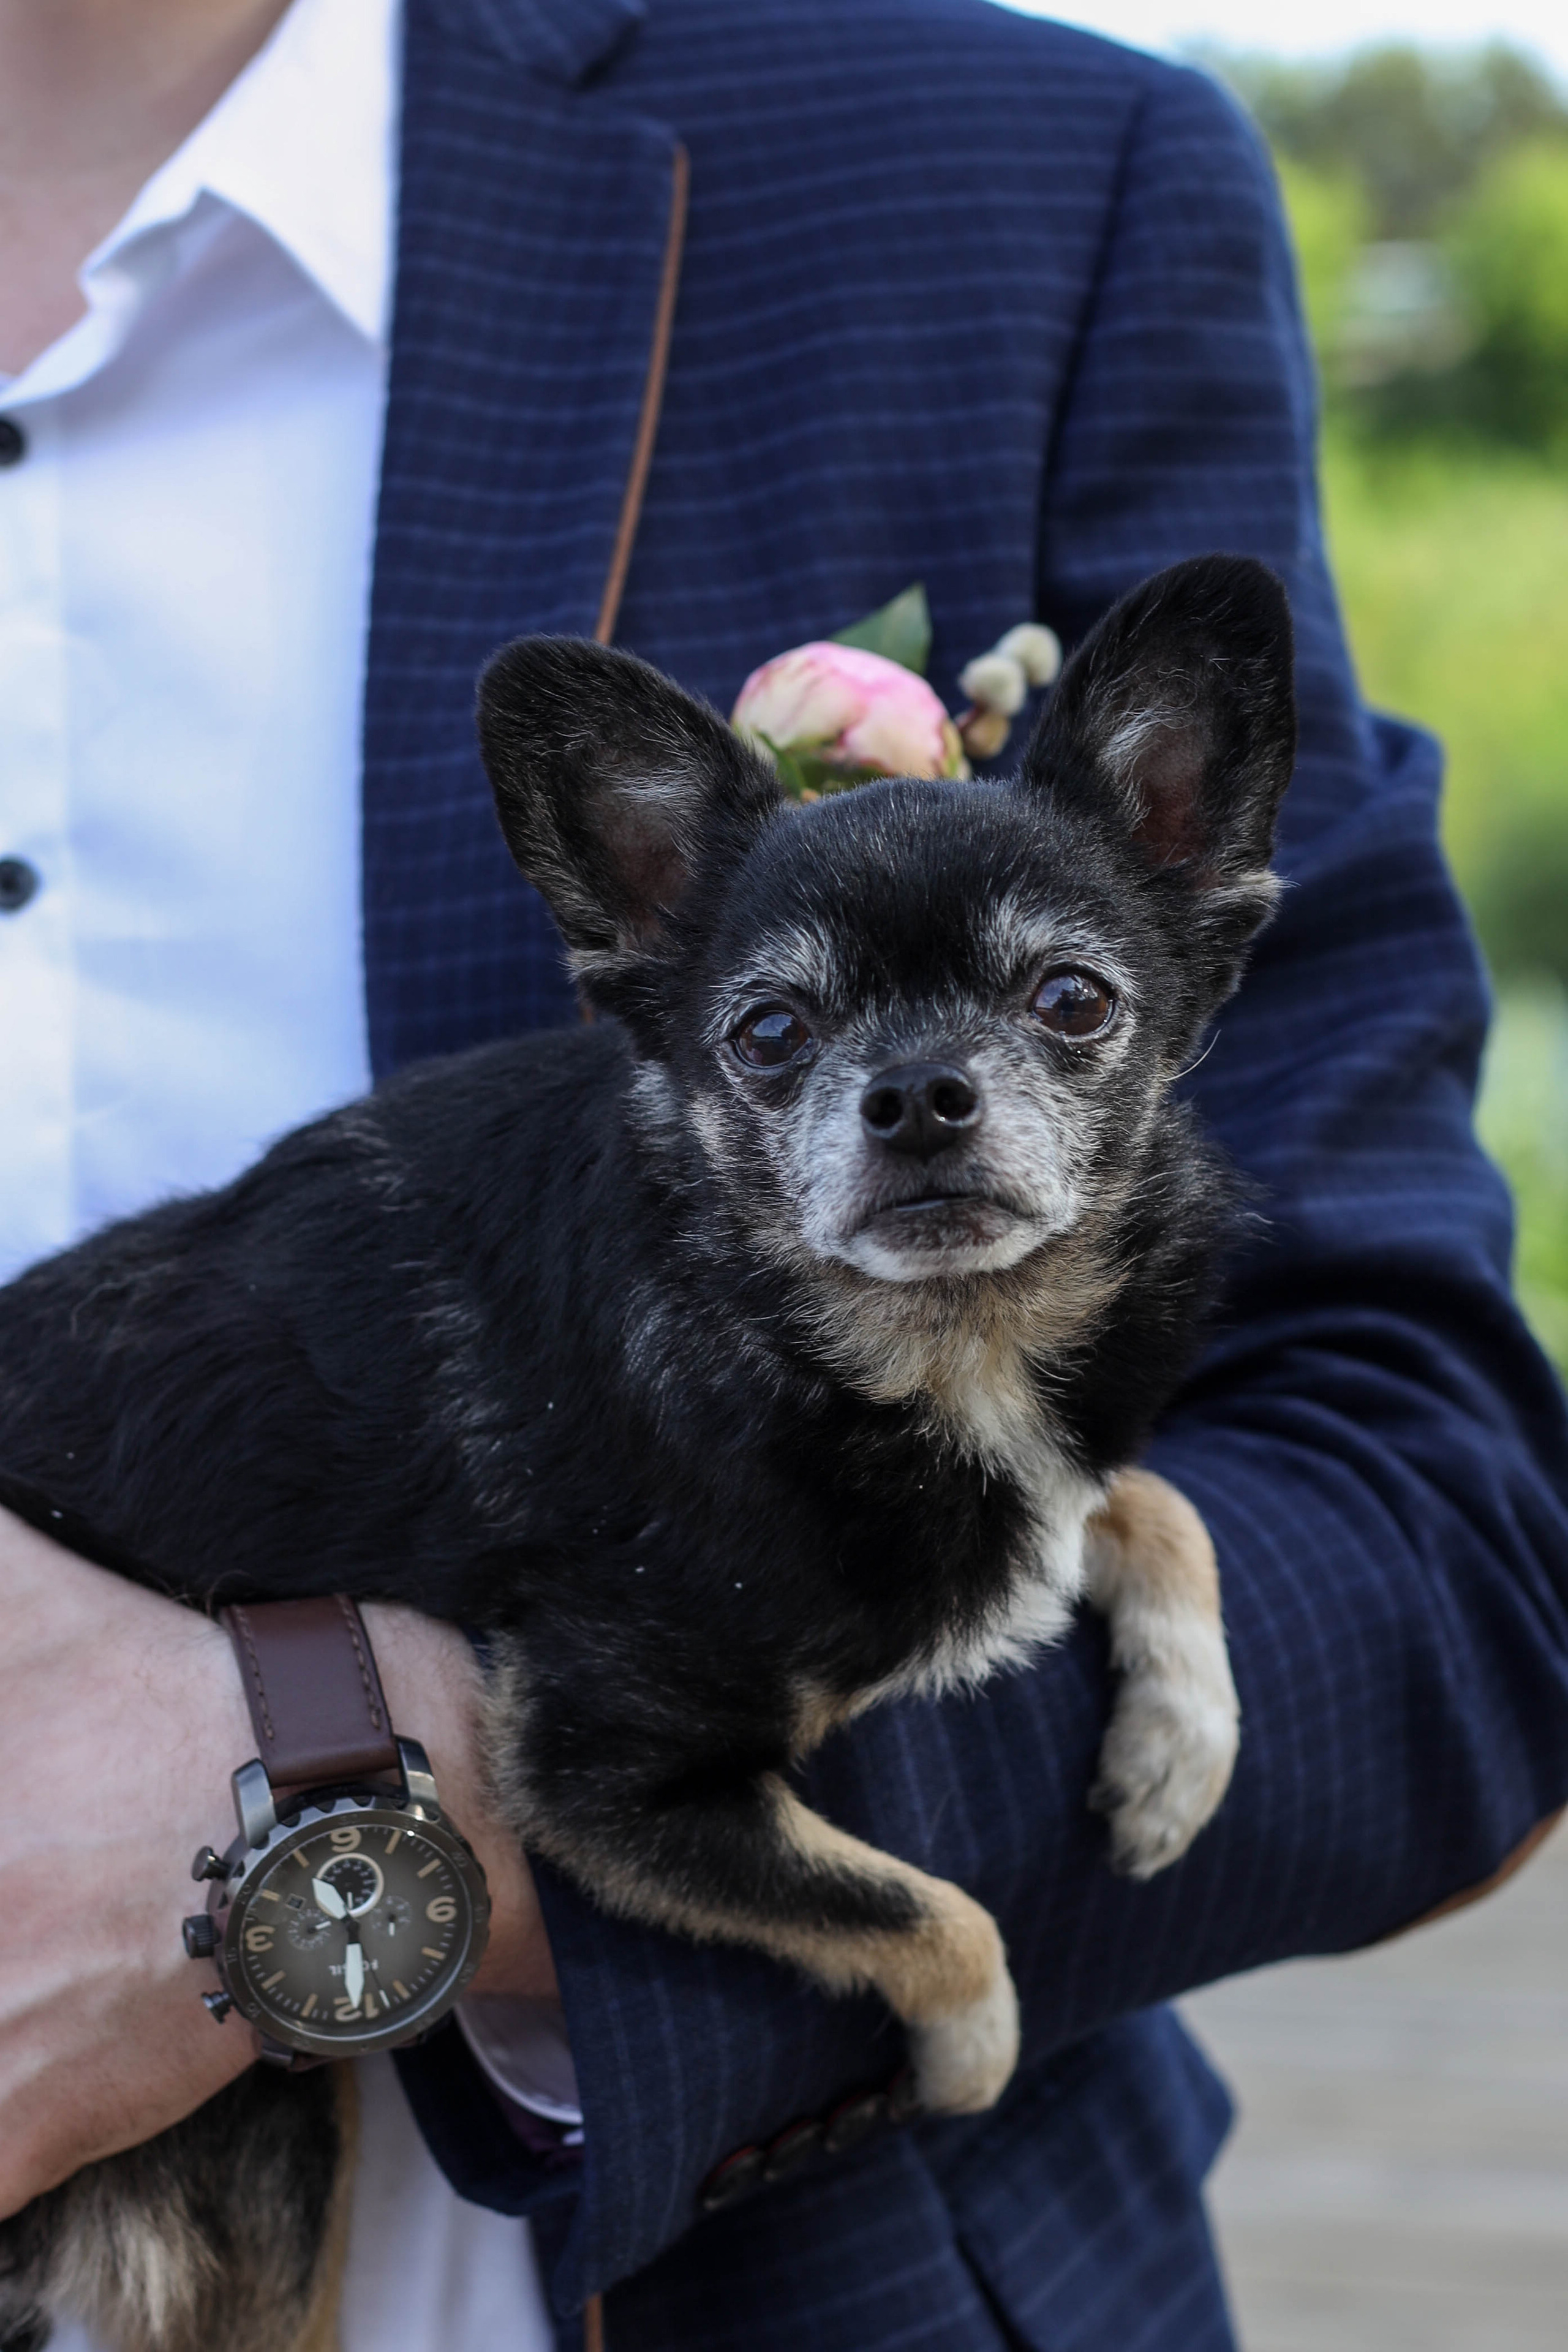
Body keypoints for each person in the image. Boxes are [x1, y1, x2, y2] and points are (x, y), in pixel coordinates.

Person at [2, 0, 1566, 2346]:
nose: (936, 1092)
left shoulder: (1013, 185)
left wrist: (324, 1828)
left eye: (1038, 1015)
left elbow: (1449, 1557)